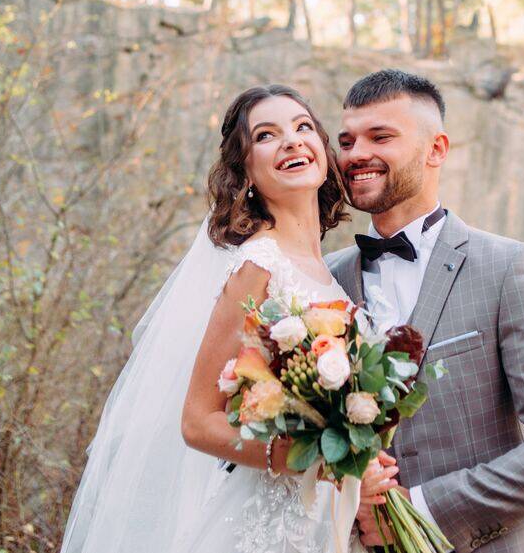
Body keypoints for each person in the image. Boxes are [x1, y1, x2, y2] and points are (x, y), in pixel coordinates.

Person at [58, 84, 365, 553]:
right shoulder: (257, 266)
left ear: (323, 152)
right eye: (266, 135)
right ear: (245, 173)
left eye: (303, 127)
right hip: (267, 524)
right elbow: (198, 422)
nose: (291, 141)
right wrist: (292, 457)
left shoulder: (332, 274)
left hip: (327, 519)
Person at [328, 69, 524, 553]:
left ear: (436, 149)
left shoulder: (510, 268)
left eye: (381, 137)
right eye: (347, 141)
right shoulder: (322, 280)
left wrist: (421, 511)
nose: (356, 154)